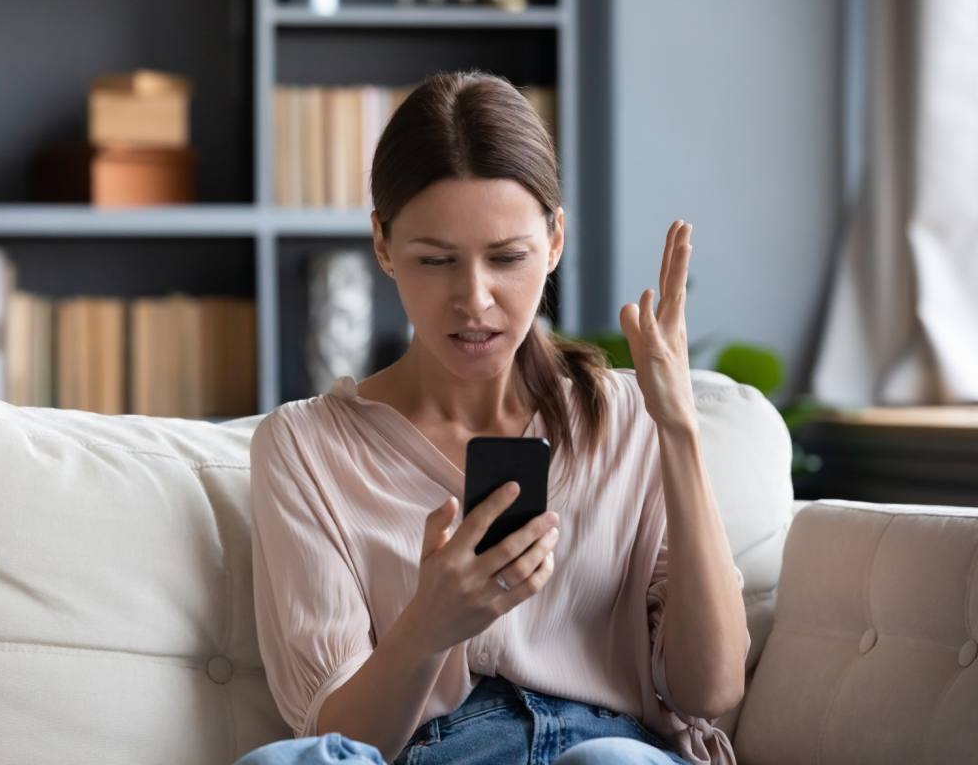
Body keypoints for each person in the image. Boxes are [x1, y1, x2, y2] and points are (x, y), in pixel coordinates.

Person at [237, 69, 751, 765]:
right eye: (436, 260)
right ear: (384, 245)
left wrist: (680, 430)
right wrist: (428, 627)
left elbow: (711, 687)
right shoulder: (304, 446)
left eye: (508, 258)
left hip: (606, 748)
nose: (474, 299)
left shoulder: (632, 419)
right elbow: (336, 741)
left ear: (555, 241)